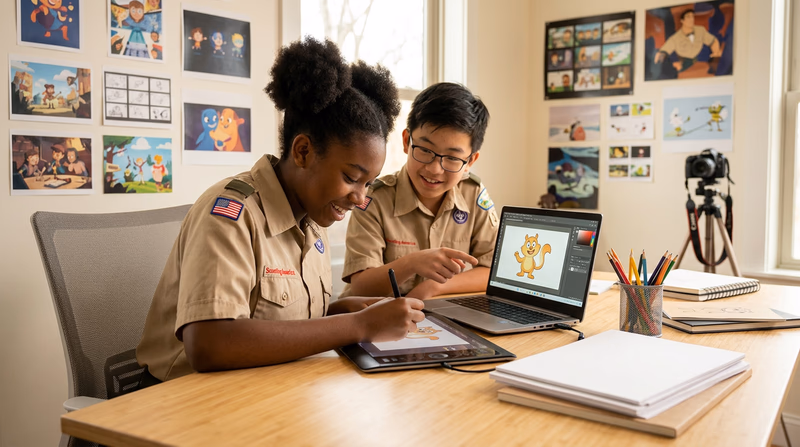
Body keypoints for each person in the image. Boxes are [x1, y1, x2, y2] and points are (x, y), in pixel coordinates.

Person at [136, 37, 423, 383]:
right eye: (351, 178)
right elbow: (209, 343)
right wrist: (356, 325)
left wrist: (336, 312)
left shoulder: (311, 222)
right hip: (179, 407)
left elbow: (272, 323)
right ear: (302, 152)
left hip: (267, 392)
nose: (360, 198)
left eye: (368, 184)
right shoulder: (231, 215)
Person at [341, 82, 496, 300]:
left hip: (445, 320)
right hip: (380, 321)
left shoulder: (474, 194)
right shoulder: (375, 199)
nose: (434, 169)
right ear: (406, 141)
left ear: (470, 161)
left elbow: (493, 272)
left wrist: (436, 287)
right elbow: (361, 287)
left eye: (452, 158)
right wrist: (412, 263)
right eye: (424, 150)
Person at [654, 9, 721, 73]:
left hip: (700, 56)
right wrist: (662, 57)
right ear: (682, 21)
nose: (691, 19)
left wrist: (716, 52)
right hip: (684, 62)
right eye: (688, 17)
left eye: (692, 17)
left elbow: (713, 41)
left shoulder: (700, 30)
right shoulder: (676, 37)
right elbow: (665, 50)